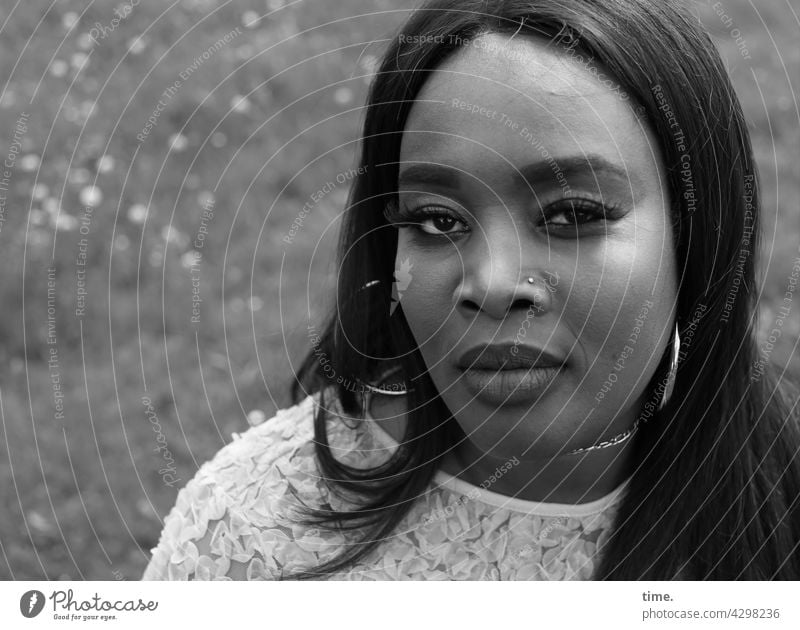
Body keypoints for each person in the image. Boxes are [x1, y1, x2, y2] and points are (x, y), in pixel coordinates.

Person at [142, 0, 800, 580]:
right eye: (437, 220)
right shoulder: (250, 537)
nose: (490, 283)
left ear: (697, 235)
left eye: (571, 213)